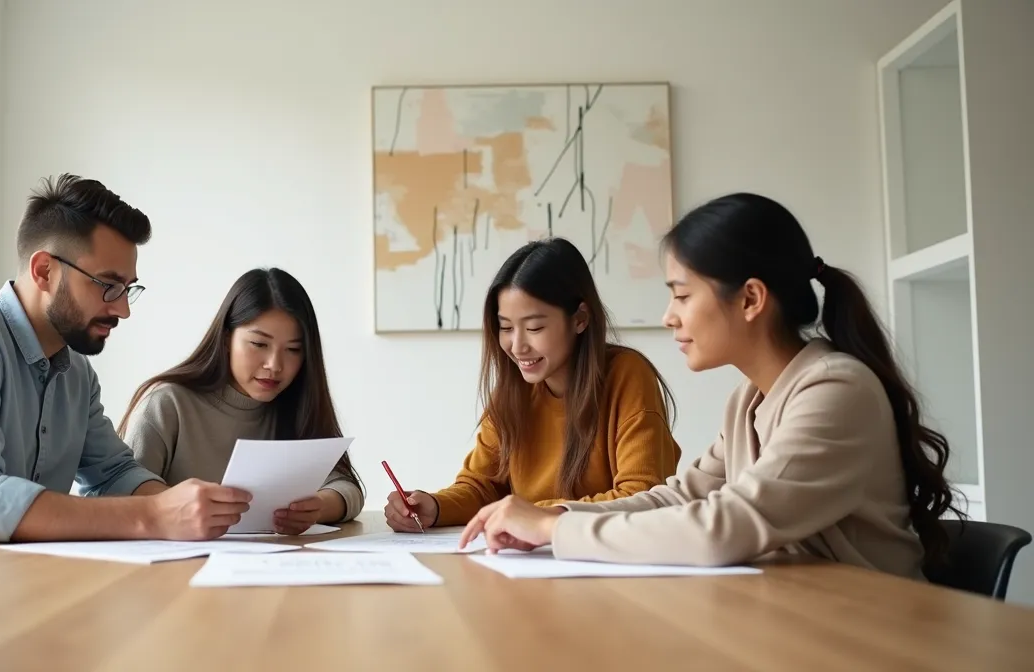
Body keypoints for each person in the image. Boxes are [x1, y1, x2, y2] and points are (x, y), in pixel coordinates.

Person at [459, 193, 961, 580]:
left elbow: (724, 527)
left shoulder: (835, 391)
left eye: (682, 295)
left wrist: (551, 527)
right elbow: (677, 496)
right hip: (796, 618)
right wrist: (556, 516)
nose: (669, 317)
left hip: (873, 634)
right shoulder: (750, 399)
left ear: (750, 299)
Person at [0, 174, 252, 572]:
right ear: (44, 271)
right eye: (108, 285)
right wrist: (152, 515)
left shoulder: (76, 374)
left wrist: (183, 507)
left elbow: (113, 473)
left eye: (128, 289)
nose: (122, 308)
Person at [383, 237, 681, 532]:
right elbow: (482, 486)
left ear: (579, 318)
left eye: (534, 327)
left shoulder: (627, 375)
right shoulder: (514, 390)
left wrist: (531, 515)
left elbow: (642, 496)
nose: (517, 346)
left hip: (610, 563)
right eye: (506, 328)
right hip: (534, 558)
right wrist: (434, 507)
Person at [117, 268, 364, 535]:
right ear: (226, 340)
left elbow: (347, 488)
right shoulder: (168, 404)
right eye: (259, 344)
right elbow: (124, 495)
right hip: (177, 565)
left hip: (274, 563)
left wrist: (318, 507)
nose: (275, 365)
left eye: (293, 349)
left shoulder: (295, 404)